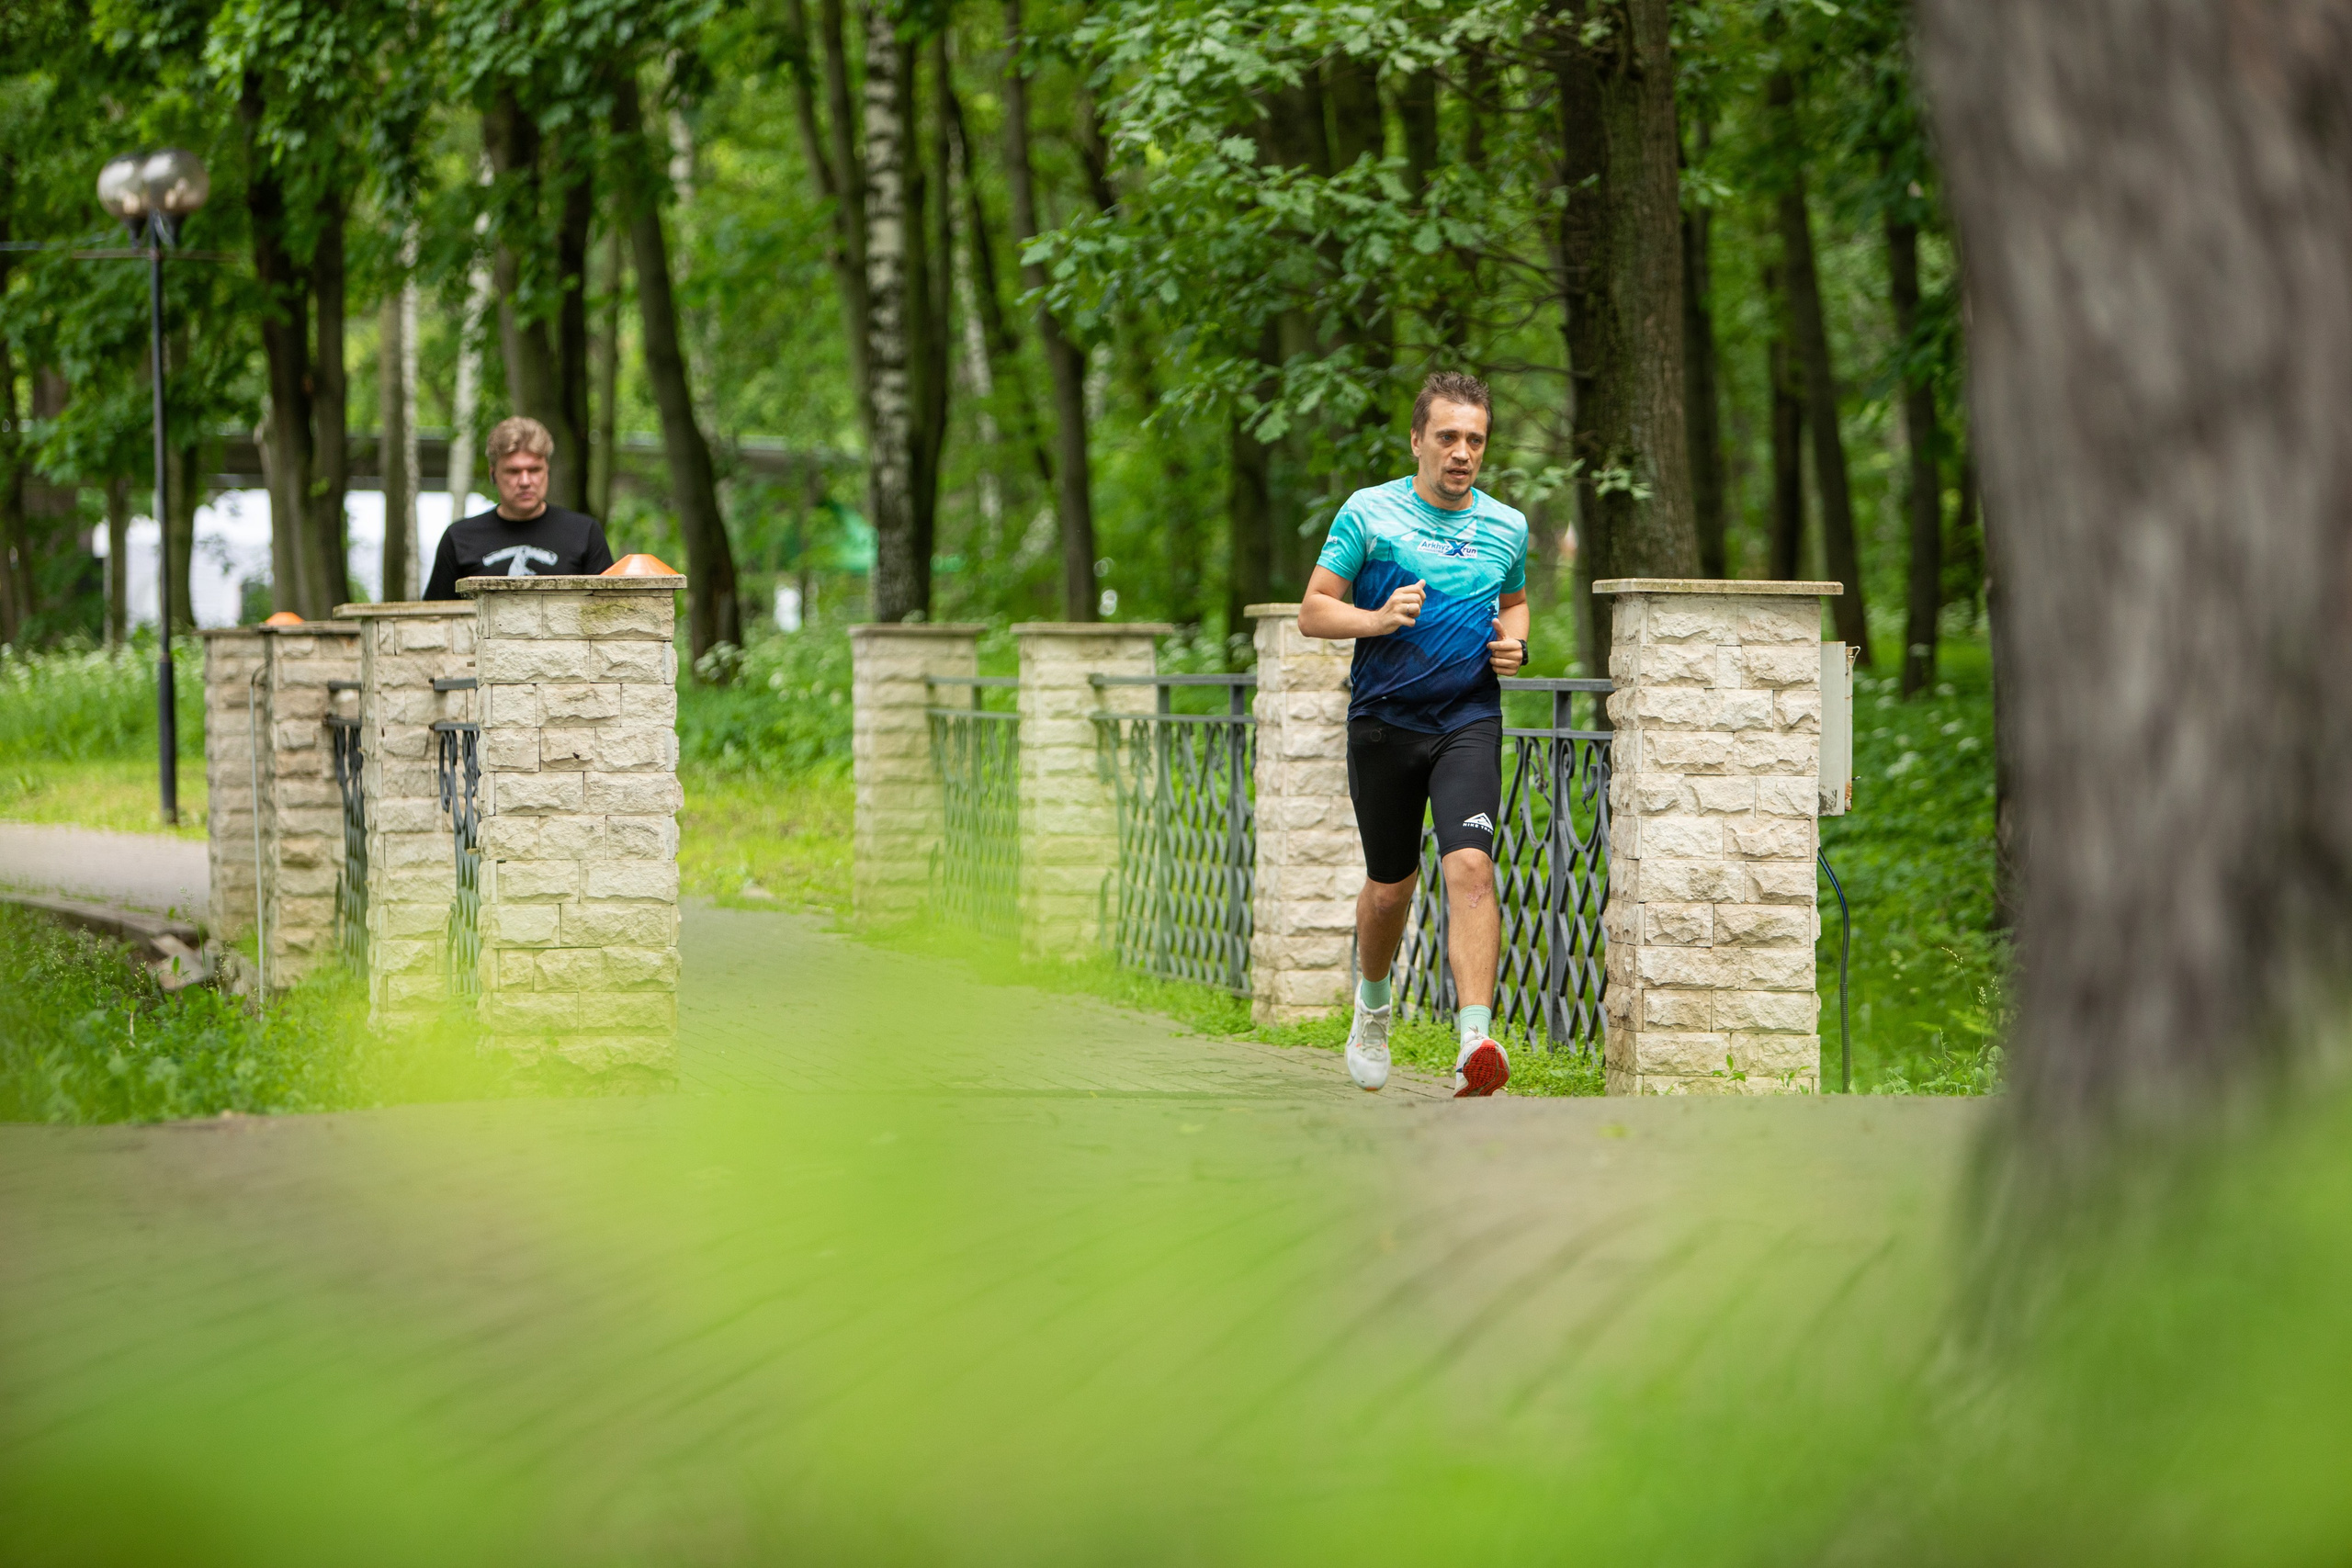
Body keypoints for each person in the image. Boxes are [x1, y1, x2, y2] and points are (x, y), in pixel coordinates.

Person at [1297, 371, 1531, 1097]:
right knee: (1391, 887)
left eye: (1476, 440)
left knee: (1470, 868)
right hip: (1384, 724)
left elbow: (1515, 603)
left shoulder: (1507, 526)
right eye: (1449, 437)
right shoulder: (1369, 514)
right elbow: (1312, 610)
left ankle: (1474, 1039)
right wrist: (1376, 619)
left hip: (1467, 717)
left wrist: (1514, 646)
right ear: (1418, 440)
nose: (1462, 453)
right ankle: (1371, 1008)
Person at [423, 417, 613, 599]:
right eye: (513, 471)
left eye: (534, 470)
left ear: (547, 470)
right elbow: (437, 620)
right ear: (493, 474)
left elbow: (609, 612)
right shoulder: (459, 538)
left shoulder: (584, 533)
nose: (525, 481)